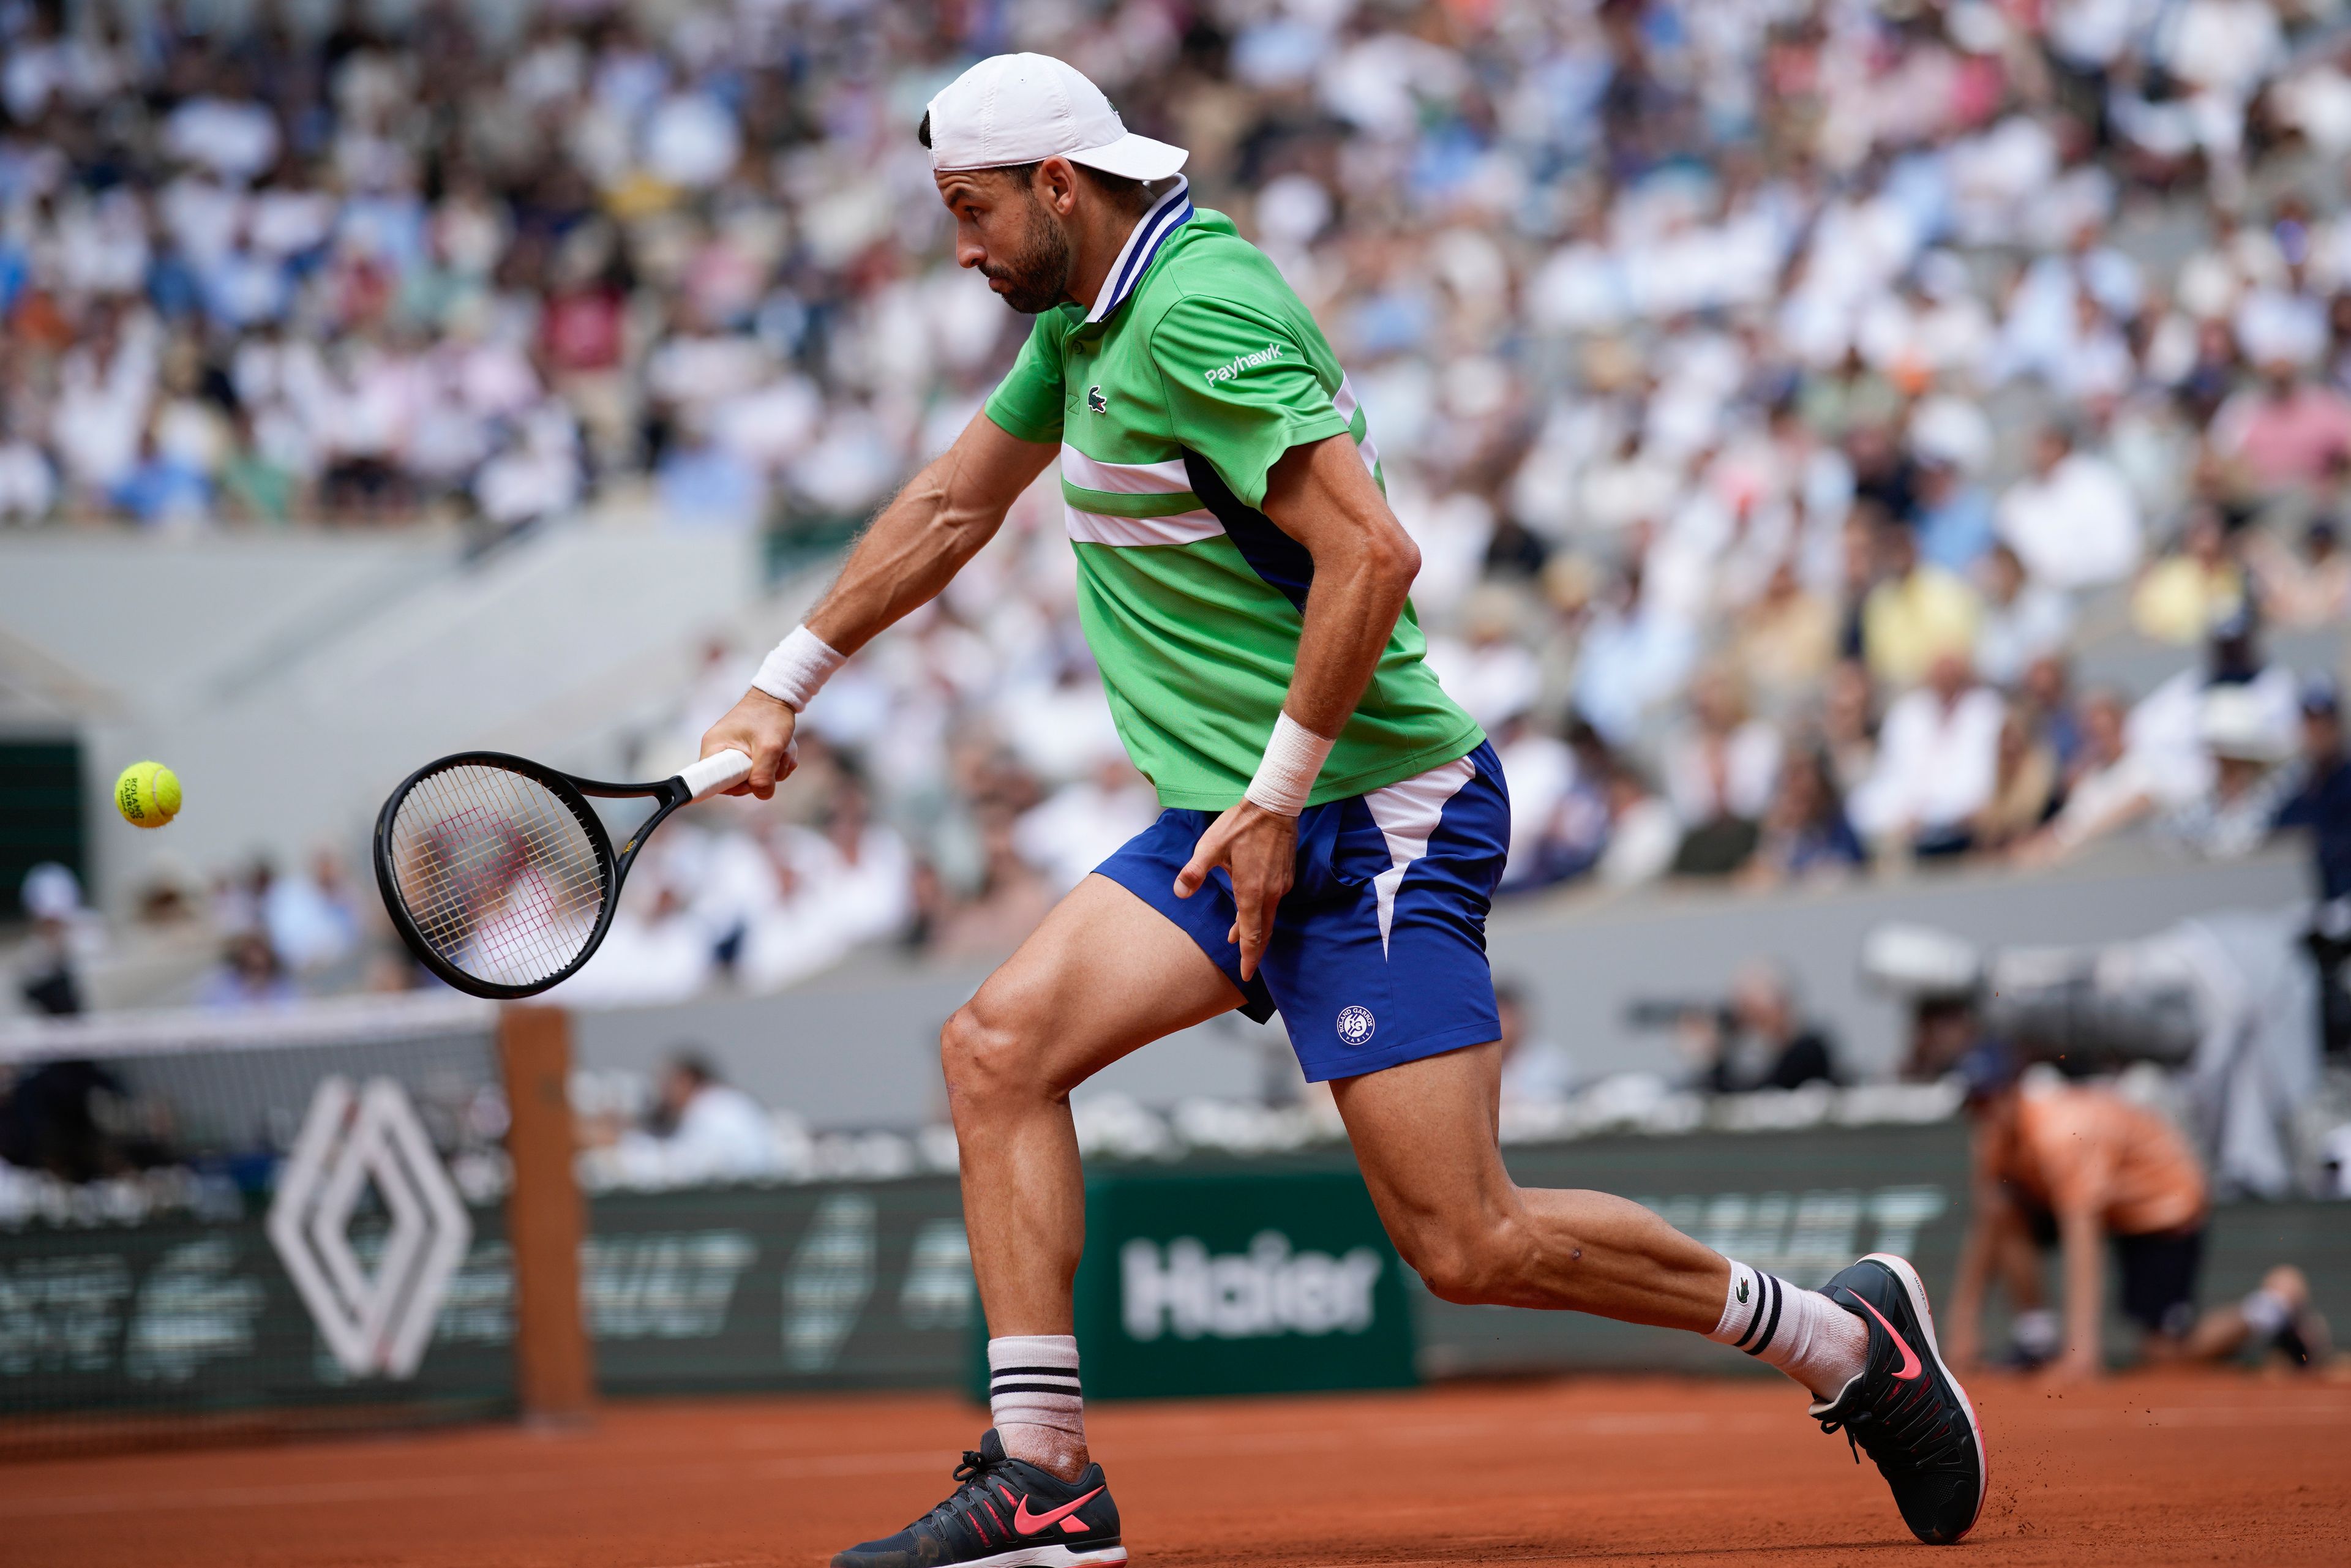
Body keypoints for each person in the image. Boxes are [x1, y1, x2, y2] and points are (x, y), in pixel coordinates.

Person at [699, 55, 1986, 1564]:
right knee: (994, 1048)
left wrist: (1273, 795)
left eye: (970, 211)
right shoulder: (1085, 322)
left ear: (1060, 184)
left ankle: (1842, 1339)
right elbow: (951, 502)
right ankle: (1042, 1472)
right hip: (1229, 814)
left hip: (1372, 808)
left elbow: (1372, 554)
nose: (961, 248)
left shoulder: (1199, 309)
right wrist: (782, 680)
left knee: (1465, 1242)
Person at [1946, 1045, 2333, 1380]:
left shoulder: (2060, 1135)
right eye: (1975, 1105)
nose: (1984, 1114)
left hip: (2163, 1200)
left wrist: (2082, 1353)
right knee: (2004, 1208)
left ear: (2014, 1092)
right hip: (2112, 1201)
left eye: (1990, 1099)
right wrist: (1962, 1325)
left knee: (2165, 1354)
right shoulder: (1994, 1137)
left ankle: (2276, 1305)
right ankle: (2037, 1339)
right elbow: (1988, 1221)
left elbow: (2084, 1239)